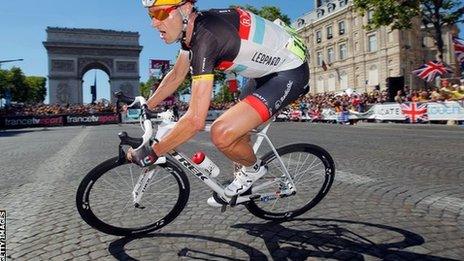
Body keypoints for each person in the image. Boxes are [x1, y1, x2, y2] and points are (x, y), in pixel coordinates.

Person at [127, 0, 309, 207]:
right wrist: (147, 104)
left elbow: (195, 121)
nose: (153, 23)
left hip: (289, 73)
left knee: (222, 133)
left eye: (159, 14)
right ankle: (247, 174)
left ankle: (254, 170)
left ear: (185, 9)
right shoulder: (192, 32)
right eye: (151, 16)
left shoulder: (207, 38)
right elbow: (177, 74)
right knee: (239, 136)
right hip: (261, 73)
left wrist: (153, 152)